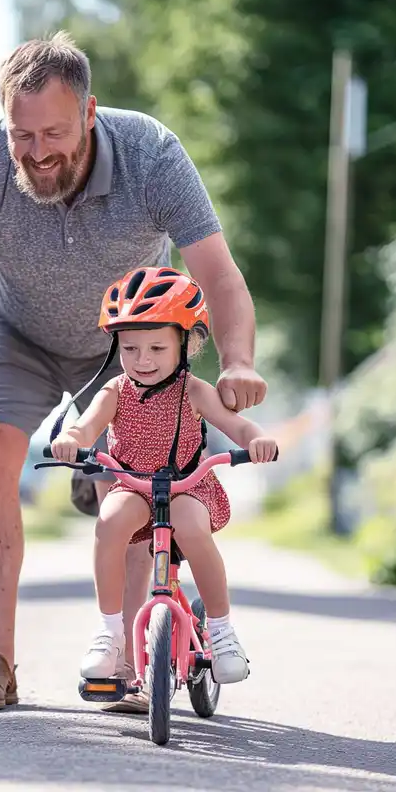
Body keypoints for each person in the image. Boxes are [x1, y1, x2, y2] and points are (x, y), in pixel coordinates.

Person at [0, 30, 267, 715]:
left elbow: (221, 277)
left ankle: (132, 663)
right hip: (16, 334)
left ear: (89, 112)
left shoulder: (152, 155)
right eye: (22, 134)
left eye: (54, 132)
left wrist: (239, 362)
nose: (37, 151)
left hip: (129, 344)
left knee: (131, 481)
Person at [49, 266, 279, 685]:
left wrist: (258, 440)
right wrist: (70, 439)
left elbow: (238, 427)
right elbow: (85, 426)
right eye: (130, 348)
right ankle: (111, 633)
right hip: (133, 484)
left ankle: (222, 632)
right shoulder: (115, 391)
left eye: (157, 347)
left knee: (190, 525)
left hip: (188, 485)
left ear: (186, 344)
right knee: (109, 521)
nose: (143, 359)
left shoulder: (193, 390)